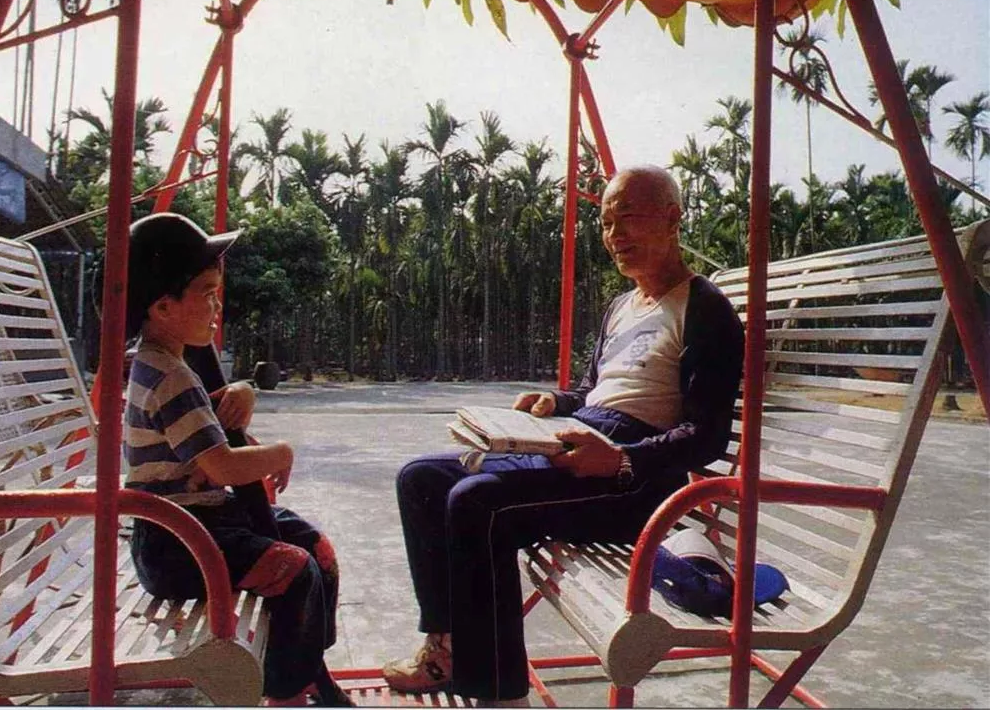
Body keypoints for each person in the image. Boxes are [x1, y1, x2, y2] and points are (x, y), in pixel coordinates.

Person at [382, 165, 745, 705]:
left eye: (628, 218)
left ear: (672, 219)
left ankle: (500, 695)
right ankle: (449, 649)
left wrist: (621, 459)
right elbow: (596, 391)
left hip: (636, 482)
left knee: (478, 503)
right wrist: (557, 402)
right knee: (420, 480)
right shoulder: (623, 306)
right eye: (606, 223)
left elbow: (706, 435)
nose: (615, 235)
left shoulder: (705, 309)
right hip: (583, 441)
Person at [122, 212, 351, 707]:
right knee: (295, 569)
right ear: (163, 306)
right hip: (176, 545)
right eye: (207, 293)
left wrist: (242, 391)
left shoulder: (167, 362)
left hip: (202, 525)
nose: (217, 305)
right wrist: (281, 453)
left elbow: (208, 428)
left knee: (318, 550)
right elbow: (222, 466)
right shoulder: (169, 376)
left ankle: (309, 667)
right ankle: (286, 693)